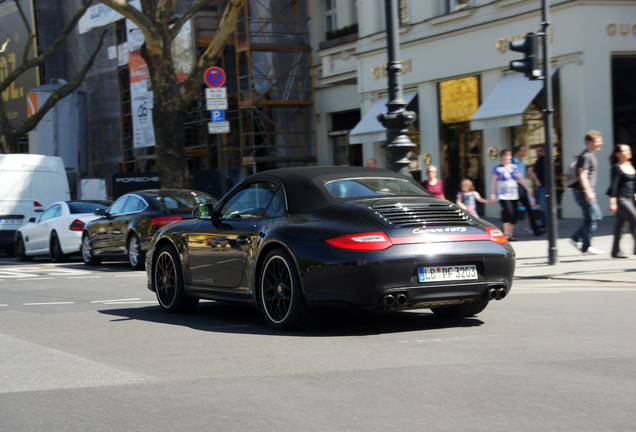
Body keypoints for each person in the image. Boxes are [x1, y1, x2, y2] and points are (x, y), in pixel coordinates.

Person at [570, 130, 604, 255]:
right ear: (588, 142)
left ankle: (576, 238)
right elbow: (582, 175)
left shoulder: (590, 155)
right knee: (592, 218)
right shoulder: (586, 156)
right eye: (597, 141)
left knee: (595, 217)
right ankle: (586, 247)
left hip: (585, 192)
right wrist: (588, 192)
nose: (600, 143)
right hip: (583, 192)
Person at [489, 150, 533, 241]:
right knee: (509, 212)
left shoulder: (514, 167)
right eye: (504, 156)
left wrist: (528, 189)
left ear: (510, 158)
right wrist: (492, 194)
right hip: (502, 195)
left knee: (514, 215)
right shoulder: (497, 169)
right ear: (501, 158)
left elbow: (521, 180)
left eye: (507, 156)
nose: (506, 158)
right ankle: (506, 234)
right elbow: (493, 183)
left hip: (514, 194)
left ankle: (510, 234)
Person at [608, 144, 636, 259]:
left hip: (630, 198)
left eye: (629, 150)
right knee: (634, 219)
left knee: (621, 226)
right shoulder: (616, 167)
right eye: (625, 151)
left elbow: (633, 184)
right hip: (621, 199)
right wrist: (613, 202)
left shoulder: (630, 165)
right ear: (618, 154)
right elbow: (614, 186)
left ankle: (615, 251)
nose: (628, 152)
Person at [512, 145, 544, 236]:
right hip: (513, 188)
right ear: (518, 152)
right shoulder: (512, 162)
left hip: (522, 187)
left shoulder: (522, 163)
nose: (525, 152)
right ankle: (507, 232)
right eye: (523, 151)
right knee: (513, 212)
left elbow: (523, 177)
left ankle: (536, 230)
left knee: (529, 209)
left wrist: (527, 188)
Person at [533, 145, 547, 228]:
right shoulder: (537, 161)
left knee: (543, 205)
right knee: (542, 205)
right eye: (537, 151)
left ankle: (545, 223)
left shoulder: (544, 160)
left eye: (540, 150)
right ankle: (544, 222)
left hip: (544, 186)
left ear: (543, 151)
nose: (538, 152)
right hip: (540, 186)